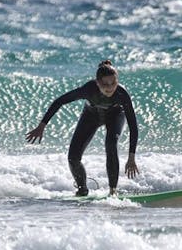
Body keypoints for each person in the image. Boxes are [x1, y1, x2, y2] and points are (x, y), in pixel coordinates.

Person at [26, 60, 139, 196]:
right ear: (97, 82)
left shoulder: (122, 94)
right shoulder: (89, 89)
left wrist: (131, 157)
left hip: (115, 115)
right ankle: (82, 189)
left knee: (111, 143)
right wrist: (42, 125)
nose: (110, 87)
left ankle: (113, 192)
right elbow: (60, 101)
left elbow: (133, 124)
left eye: (113, 83)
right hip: (92, 115)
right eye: (105, 84)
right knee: (73, 157)